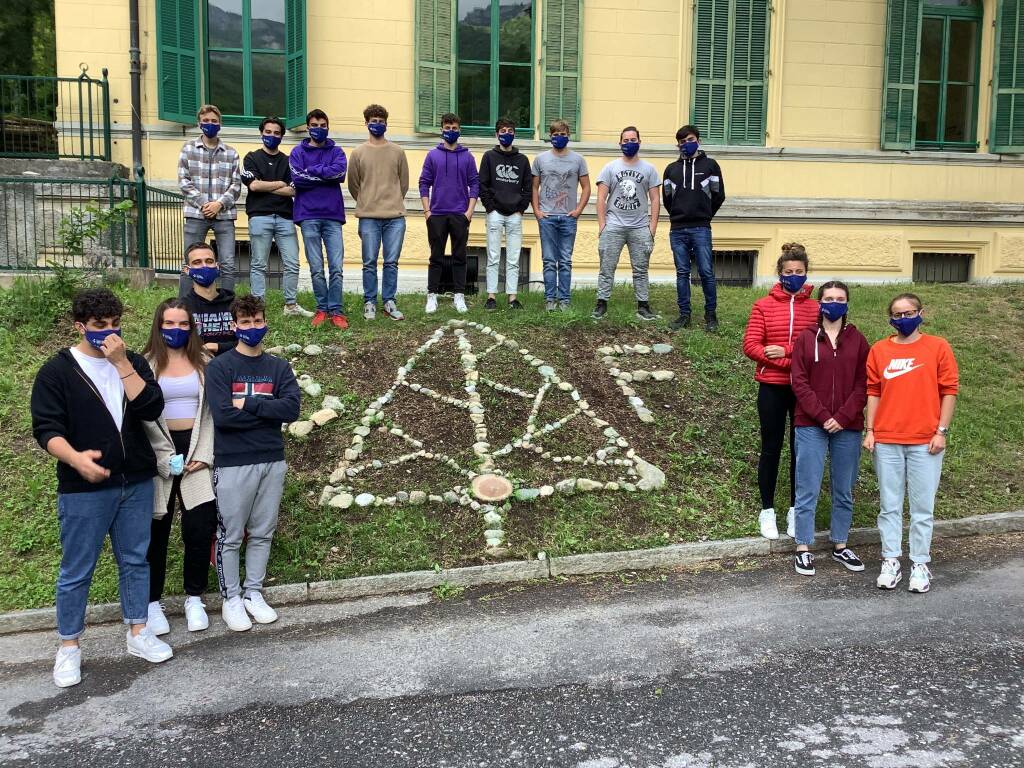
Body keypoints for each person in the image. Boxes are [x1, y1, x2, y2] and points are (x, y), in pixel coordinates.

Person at [31, 288, 172, 688]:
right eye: (99, 326)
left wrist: (123, 363)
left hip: (136, 481)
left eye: (114, 324)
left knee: (135, 560)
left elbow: (151, 408)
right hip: (82, 487)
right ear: (80, 327)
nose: (109, 333)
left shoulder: (132, 362)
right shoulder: (57, 371)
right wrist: (76, 459)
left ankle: (138, 633)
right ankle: (69, 647)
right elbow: (46, 429)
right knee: (77, 569)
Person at [206, 295, 300, 631]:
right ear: (234, 326)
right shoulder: (220, 367)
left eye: (257, 321)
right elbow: (223, 417)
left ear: (265, 322)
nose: (252, 327)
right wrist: (266, 409)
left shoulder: (278, 367)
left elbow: (291, 410)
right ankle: (231, 598)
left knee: (262, 532)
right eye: (245, 322)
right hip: (233, 463)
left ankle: (253, 592)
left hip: (272, 460)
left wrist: (247, 402)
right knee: (231, 535)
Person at [864, 293, 958, 594]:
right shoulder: (879, 350)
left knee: (922, 508)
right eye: (897, 314)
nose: (903, 319)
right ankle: (890, 560)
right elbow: (873, 391)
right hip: (887, 439)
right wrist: (870, 429)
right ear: (890, 318)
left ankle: (920, 564)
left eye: (909, 313)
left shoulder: (938, 347)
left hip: (925, 441)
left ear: (921, 313)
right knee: (889, 506)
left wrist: (941, 430)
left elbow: (949, 391)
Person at [141, 299, 218, 634]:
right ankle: (151, 603)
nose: (176, 330)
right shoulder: (143, 365)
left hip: (197, 450)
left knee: (199, 528)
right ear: (159, 326)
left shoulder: (205, 361)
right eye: (169, 324)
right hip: (160, 452)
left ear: (191, 327)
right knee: (155, 531)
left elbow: (214, 414)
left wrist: (206, 453)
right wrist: (159, 459)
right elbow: (138, 417)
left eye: (182, 324)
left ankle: (194, 597)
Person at [789, 281, 869, 576]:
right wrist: (823, 416)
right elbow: (799, 381)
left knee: (843, 489)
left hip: (848, 426)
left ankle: (840, 544)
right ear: (820, 303)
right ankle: (803, 547)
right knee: (807, 487)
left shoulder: (858, 340)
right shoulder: (806, 338)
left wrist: (844, 416)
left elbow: (864, 383)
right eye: (829, 298)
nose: (834, 303)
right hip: (811, 424)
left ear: (847, 304)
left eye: (840, 298)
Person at [741, 243, 819, 541]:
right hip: (771, 387)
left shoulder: (815, 307)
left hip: (803, 389)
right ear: (780, 273)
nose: (794, 276)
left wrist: (785, 353)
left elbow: (814, 348)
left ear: (806, 273)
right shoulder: (763, 305)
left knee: (801, 452)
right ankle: (767, 511)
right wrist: (793, 360)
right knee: (771, 449)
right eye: (789, 272)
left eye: (799, 272)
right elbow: (752, 346)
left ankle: (795, 511)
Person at [241, 116, 313, 318]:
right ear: (262, 133)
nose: (272, 136)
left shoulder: (289, 161)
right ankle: (257, 307)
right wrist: (279, 183)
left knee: (292, 262)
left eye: (276, 133)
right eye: (268, 132)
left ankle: (290, 305)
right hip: (259, 216)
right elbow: (253, 185)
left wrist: (265, 184)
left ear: (281, 136)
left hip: (285, 217)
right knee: (258, 264)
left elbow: (293, 191)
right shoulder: (251, 158)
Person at [348, 103, 410, 321]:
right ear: (366, 123)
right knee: (369, 262)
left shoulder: (398, 152)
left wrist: (391, 201)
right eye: (373, 121)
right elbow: (354, 185)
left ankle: (389, 301)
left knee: (391, 262)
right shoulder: (357, 153)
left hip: (395, 217)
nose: (377, 124)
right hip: (368, 217)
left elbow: (403, 184)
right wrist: (368, 201)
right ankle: (369, 302)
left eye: (381, 121)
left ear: (386, 124)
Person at [593, 126, 660, 322]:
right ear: (620, 143)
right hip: (613, 226)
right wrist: (602, 225)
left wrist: (652, 228)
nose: (629, 143)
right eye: (626, 140)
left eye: (633, 140)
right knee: (607, 267)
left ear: (639, 142)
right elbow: (601, 198)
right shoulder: (610, 167)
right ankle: (601, 303)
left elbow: (655, 199)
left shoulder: (649, 169)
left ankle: (643, 306)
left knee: (641, 269)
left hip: (640, 227)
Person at [289, 109, 348, 329]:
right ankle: (322, 308)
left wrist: (313, 170)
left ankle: (336, 310)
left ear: (328, 126)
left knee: (336, 267)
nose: (319, 129)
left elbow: (339, 174)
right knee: (316, 267)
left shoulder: (337, 151)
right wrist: (324, 174)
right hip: (307, 215)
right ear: (307, 127)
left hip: (332, 216)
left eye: (323, 125)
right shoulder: (297, 152)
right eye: (315, 125)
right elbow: (297, 178)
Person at [663, 125, 725, 332]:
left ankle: (711, 315)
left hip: (701, 228)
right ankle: (684, 315)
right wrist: (679, 215)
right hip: (678, 229)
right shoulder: (670, 169)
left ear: (698, 140)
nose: (686, 144)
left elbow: (718, 195)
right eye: (682, 142)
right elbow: (667, 199)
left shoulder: (711, 166)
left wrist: (704, 214)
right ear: (678, 145)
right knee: (682, 273)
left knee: (706, 272)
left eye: (690, 139)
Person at [177, 104, 241, 298]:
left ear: (220, 124)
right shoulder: (188, 149)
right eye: (206, 121)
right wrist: (205, 204)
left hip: (224, 215)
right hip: (196, 214)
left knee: (228, 263)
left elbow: (236, 185)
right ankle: (185, 306)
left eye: (214, 121)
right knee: (190, 263)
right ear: (199, 123)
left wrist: (219, 205)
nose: (210, 124)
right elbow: (183, 181)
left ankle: (228, 306)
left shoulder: (231, 153)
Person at [419, 112, 479, 315]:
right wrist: (427, 211)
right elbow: (423, 183)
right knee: (436, 257)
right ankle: (432, 295)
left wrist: (469, 213)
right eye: (447, 127)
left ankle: (459, 296)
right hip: (436, 214)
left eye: (454, 128)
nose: (450, 131)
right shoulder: (432, 155)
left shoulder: (468, 157)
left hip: (460, 215)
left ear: (459, 130)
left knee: (459, 256)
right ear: (441, 129)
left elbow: (474, 185)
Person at [532, 119, 590, 311]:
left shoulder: (578, 160)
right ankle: (550, 300)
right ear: (550, 136)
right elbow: (534, 186)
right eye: (555, 135)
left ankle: (564, 300)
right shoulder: (540, 159)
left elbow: (587, 187)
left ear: (569, 136)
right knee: (549, 260)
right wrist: (537, 211)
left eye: (563, 134)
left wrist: (578, 210)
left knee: (565, 260)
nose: (559, 138)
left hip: (568, 218)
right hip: (547, 217)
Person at [478, 117, 532, 311]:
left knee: (513, 257)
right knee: (493, 255)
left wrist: (521, 208)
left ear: (514, 134)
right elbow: (482, 184)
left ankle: (512, 297)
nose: (506, 134)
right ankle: (491, 296)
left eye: (510, 131)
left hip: (515, 215)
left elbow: (528, 187)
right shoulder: (489, 157)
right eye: (503, 131)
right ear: (496, 134)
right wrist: (490, 207)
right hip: (495, 214)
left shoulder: (523, 160)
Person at [181, 241, 236, 356]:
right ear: (187, 270)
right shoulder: (182, 307)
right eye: (197, 262)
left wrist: (217, 347)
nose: (204, 266)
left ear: (217, 267)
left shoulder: (235, 304)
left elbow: (250, 343)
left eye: (209, 261)